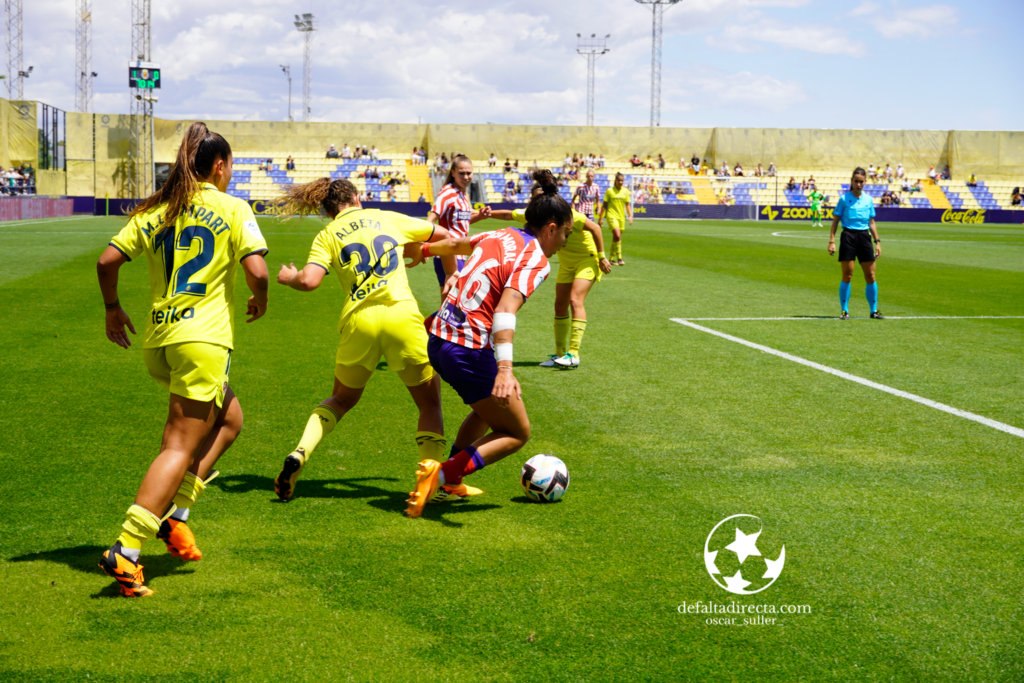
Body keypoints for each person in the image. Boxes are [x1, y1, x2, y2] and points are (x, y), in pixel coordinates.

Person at [95, 122, 269, 597]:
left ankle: (176, 515)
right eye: (229, 166)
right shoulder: (232, 207)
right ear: (218, 166)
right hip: (203, 341)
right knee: (178, 444)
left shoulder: (158, 210)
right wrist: (261, 297)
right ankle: (127, 550)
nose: (230, 174)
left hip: (161, 340)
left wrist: (113, 309)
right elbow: (258, 270)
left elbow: (107, 262)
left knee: (229, 420)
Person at [271, 178, 474, 504]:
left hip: (358, 322)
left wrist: (288, 277)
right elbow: (448, 237)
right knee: (429, 403)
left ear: (327, 209)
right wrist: (448, 274)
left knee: (341, 399)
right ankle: (428, 481)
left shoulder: (327, 234)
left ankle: (300, 452)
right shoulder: (385, 216)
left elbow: (309, 281)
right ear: (356, 198)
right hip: (401, 317)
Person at [403, 170, 572, 518]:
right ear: (551, 228)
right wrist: (506, 369)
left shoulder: (502, 233)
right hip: (466, 348)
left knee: (489, 408)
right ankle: (443, 475)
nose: (565, 243)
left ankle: (449, 480)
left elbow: (453, 245)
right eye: (566, 234)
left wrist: (423, 249)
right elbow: (506, 311)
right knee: (515, 431)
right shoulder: (536, 259)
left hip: (439, 337)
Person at [492, 175, 612, 369]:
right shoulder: (537, 216)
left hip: (586, 260)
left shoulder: (570, 215)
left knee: (575, 300)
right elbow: (508, 215)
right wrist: (486, 213)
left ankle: (573, 354)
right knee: (559, 305)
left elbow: (596, 228)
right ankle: (559, 354)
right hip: (566, 264)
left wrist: (602, 256)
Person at [426, 154, 492, 291]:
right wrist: (424, 246)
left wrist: (480, 216)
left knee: (450, 305)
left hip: (458, 253)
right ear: (453, 173)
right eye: (461, 173)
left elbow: (461, 223)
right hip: (448, 254)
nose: (466, 177)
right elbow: (431, 219)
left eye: (469, 173)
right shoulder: (448, 192)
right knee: (456, 304)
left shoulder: (463, 195)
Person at [828, 167, 882, 320]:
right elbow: (835, 221)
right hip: (848, 236)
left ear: (865, 182)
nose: (858, 184)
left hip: (865, 237)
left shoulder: (869, 199)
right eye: (856, 181)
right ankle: (844, 311)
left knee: (871, 275)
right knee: (847, 274)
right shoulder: (844, 199)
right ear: (852, 182)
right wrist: (832, 241)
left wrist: (877, 242)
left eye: (861, 182)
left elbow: (871, 222)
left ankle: (874, 311)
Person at [598, 172, 633, 266]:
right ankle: (620, 258)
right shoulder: (610, 191)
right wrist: (600, 218)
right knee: (617, 235)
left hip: (621, 217)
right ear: (615, 180)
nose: (620, 182)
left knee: (616, 238)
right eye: (619, 180)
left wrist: (630, 216)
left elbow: (627, 205)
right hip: (611, 216)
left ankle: (611, 259)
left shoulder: (625, 191)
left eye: (622, 180)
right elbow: (604, 205)